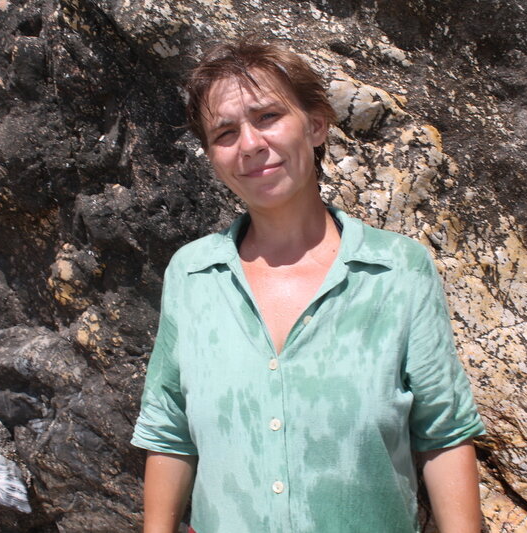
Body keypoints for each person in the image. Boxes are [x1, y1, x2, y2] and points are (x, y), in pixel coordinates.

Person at [131, 38, 486, 533]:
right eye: (225, 133)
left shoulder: (397, 270)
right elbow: (170, 433)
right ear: (212, 156)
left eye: (268, 117)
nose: (250, 144)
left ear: (316, 125)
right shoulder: (191, 275)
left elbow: (443, 433)